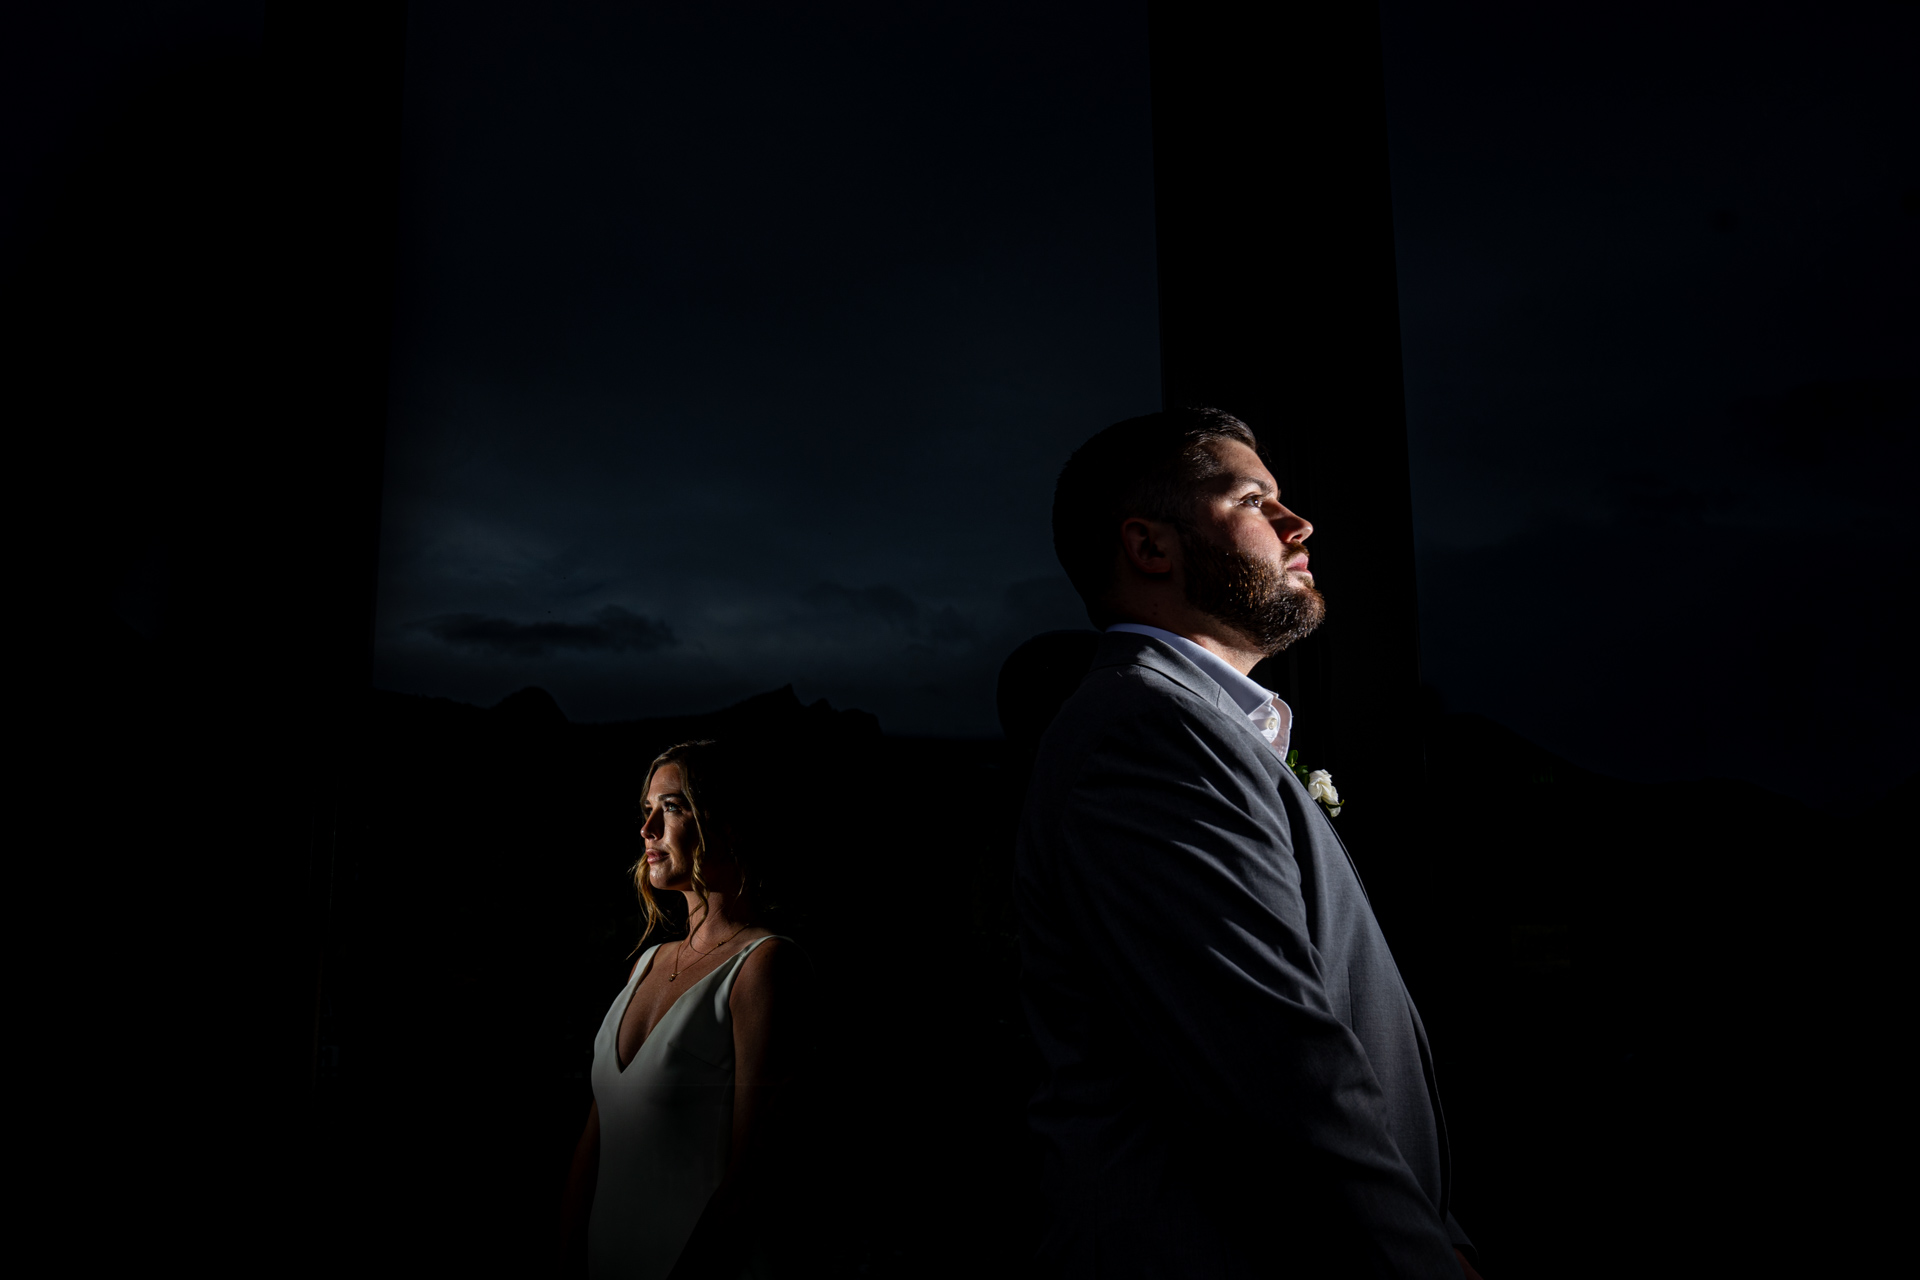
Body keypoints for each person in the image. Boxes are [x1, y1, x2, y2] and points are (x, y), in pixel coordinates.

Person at [1014, 408, 1482, 1278]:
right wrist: (1423, 1261)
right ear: (1151, 548)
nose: (1298, 523)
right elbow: (1273, 1064)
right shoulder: (1143, 732)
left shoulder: (1194, 726)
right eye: (1253, 499)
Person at [560, 740, 807, 1280]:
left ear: (726, 821)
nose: (647, 829)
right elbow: (595, 1139)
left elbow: (754, 1173)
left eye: (671, 807)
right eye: (646, 811)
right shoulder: (646, 963)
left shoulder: (762, 966)